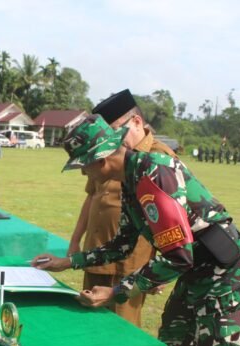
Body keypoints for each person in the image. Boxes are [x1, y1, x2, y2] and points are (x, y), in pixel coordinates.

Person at [33, 114, 240, 346]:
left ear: (100, 160)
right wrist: (69, 262)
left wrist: (116, 292)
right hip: (196, 273)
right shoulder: (130, 179)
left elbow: (178, 256)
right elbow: (123, 244)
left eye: (84, 167)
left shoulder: (155, 172)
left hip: (227, 277)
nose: (84, 175)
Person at [67, 89, 175, 327]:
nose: (110, 139)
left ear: (136, 122)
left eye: (115, 130)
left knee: (122, 328)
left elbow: (170, 224)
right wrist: (75, 241)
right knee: (91, 323)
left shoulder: (159, 160)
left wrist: (158, 272)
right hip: (99, 252)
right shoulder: (103, 154)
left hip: (130, 264)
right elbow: (92, 196)